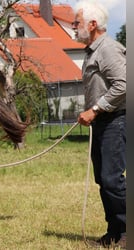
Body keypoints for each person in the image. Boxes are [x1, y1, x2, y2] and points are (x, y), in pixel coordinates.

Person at [73, 1, 126, 248]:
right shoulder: (93, 51)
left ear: (92, 25)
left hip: (116, 120)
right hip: (104, 122)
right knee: (104, 180)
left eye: (77, 23)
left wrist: (95, 109)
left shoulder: (108, 50)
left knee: (112, 179)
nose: (74, 28)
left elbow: (124, 85)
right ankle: (115, 233)